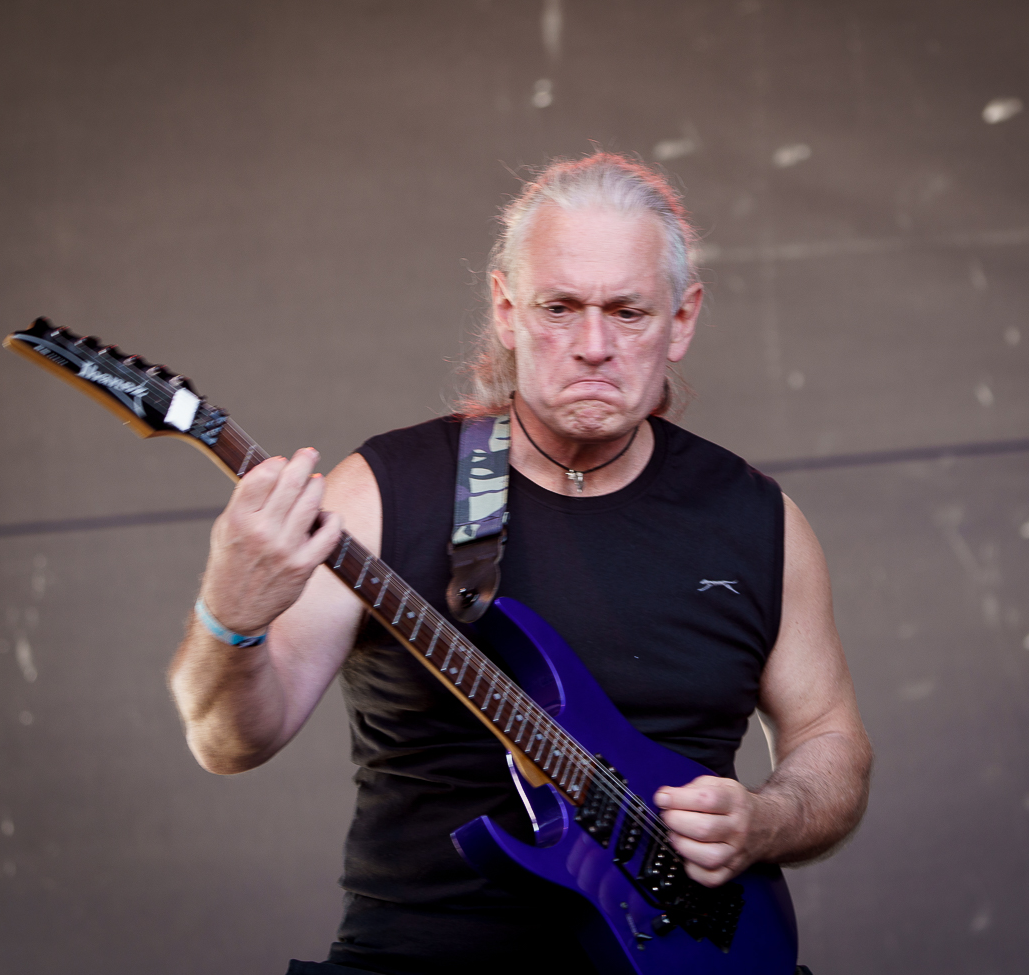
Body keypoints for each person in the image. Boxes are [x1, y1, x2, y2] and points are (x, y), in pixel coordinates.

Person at [168, 153, 872, 973]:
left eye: (629, 312)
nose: (593, 346)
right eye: (559, 307)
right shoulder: (379, 496)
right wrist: (229, 613)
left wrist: (767, 819)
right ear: (506, 308)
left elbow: (831, 739)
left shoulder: (757, 520)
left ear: (682, 320)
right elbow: (229, 741)